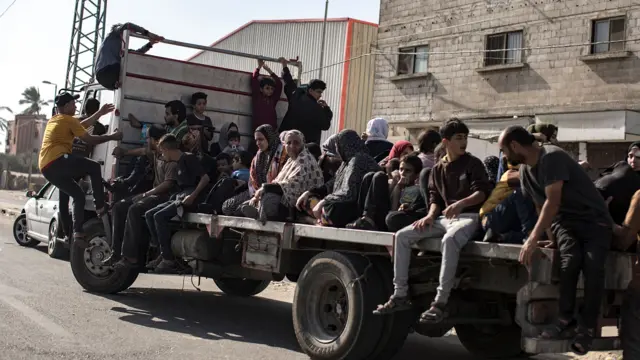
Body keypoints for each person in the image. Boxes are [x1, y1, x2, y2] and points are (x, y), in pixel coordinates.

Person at [499, 125, 612, 355]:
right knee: (569, 263)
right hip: (565, 224)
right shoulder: (524, 172)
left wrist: (531, 239)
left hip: (593, 220)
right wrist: (553, 238)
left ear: (514, 146)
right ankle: (565, 320)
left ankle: (587, 328)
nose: (504, 156)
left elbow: (553, 201)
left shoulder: (552, 157)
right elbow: (541, 206)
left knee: (592, 266)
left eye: (504, 150)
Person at [373, 119, 490, 325]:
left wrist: (461, 204)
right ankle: (400, 294)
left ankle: (440, 302)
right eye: (458, 138)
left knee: (449, 241)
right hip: (444, 218)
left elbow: (481, 193)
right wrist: (429, 216)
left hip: (468, 218)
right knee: (401, 236)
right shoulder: (438, 168)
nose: (464, 142)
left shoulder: (473, 163)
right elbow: (435, 199)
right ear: (446, 142)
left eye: (465, 137)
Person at [39, 93, 122, 248]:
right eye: (72, 104)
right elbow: (89, 139)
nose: (76, 106)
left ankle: (76, 232)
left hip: (46, 168)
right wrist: (112, 136)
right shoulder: (67, 120)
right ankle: (100, 205)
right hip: (57, 161)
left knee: (78, 195)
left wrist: (99, 113)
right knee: (94, 167)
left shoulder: (56, 119)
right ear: (65, 107)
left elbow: (81, 123)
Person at [145, 134, 216, 273]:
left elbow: (205, 179)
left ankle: (168, 260)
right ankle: (162, 252)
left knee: (159, 217)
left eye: (162, 152)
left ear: (166, 149)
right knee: (149, 214)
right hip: (179, 196)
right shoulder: (178, 163)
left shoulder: (188, 158)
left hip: (192, 197)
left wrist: (193, 196)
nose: (162, 156)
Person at [111, 125, 178, 268]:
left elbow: (168, 185)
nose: (146, 141)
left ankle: (130, 256)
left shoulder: (169, 157)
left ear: (155, 141)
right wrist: (125, 152)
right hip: (154, 194)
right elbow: (142, 151)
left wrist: (145, 194)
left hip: (164, 197)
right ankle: (116, 253)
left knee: (135, 209)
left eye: (147, 138)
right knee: (119, 207)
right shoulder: (155, 153)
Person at [296, 129, 380, 227]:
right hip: (341, 202)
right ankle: (320, 220)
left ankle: (315, 221)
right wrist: (311, 192)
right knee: (307, 201)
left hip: (355, 207)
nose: (336, 148)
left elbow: (349, 192)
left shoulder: (358, 160)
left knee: (331, 210)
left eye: (338, 145)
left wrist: (324, 201)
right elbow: (332, 183)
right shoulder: (347, 162)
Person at [240, 130, 324, 222]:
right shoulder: (291, 160)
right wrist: (262, 191)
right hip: (284, 196)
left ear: (303, 144)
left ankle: (259, 213)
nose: (292, 146)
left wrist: (265, 188)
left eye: (296, 143)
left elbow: (294, 185)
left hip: (301, 203)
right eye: (288, 143)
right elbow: (278, 180)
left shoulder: (305, 160)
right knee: (246, 203)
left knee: (268, 199)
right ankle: (257, 211)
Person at [222, 124, 288, 216]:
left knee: (266, 205)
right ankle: (251, 208)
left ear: (269, 138)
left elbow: (283, 181)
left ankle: (254, 209)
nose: (258, 143)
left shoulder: (283, 154)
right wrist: (255, 196)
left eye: (261, 139)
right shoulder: (258, 157)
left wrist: (263, 192)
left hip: (274, 193)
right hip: (255, 192)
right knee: (227, 206)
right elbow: (253, 181)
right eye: (256, 140)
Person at [348, 153, 423, 231]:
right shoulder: (393, 182)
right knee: (369, 176)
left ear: (416, 175)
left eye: (408, 171)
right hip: (378, 216)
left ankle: (368, 219)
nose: (402, 173)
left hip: (388, 221)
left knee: (380, 176)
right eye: (401, 169)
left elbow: (393, 211)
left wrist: (398, 187)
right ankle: (363, 219)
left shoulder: (415, 190)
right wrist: (393, 183)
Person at [480, 157, 538, 244]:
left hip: (505, 220)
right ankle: (529, 234)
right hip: (490, 218)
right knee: (520, 193)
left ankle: (502, 237)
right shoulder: (509, 174)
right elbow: (530, 177)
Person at [278, 59, 333, 144]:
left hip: (287, 142)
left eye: (321, 92)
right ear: (310, 90)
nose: (320, 95)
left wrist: (284, 66)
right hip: (304, 146)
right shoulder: (317, 109)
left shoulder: (297, 96)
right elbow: (325, 125)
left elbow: (289, 83)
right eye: (318, 92)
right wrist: (326, 109)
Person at [94, 23, 163, 90]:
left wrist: (150, 44)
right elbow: (127, 25)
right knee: (128, 67)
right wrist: (148, 33)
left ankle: (116, 84)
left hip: (106, 80)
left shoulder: (120, 48)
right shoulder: (112, 35)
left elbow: (136, 53)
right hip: (106, 70)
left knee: (128, 60)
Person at [251, 59, 283, 131]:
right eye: (267, 88)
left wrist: (269, 70)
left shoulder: (273, 99)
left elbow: (279, 83)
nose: (270, 91)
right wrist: (259, 67)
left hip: (271, 130)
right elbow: (254, 78)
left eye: (272, 89)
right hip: (258, 130)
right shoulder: (257, 97)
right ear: (261, 89)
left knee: (271, 142)